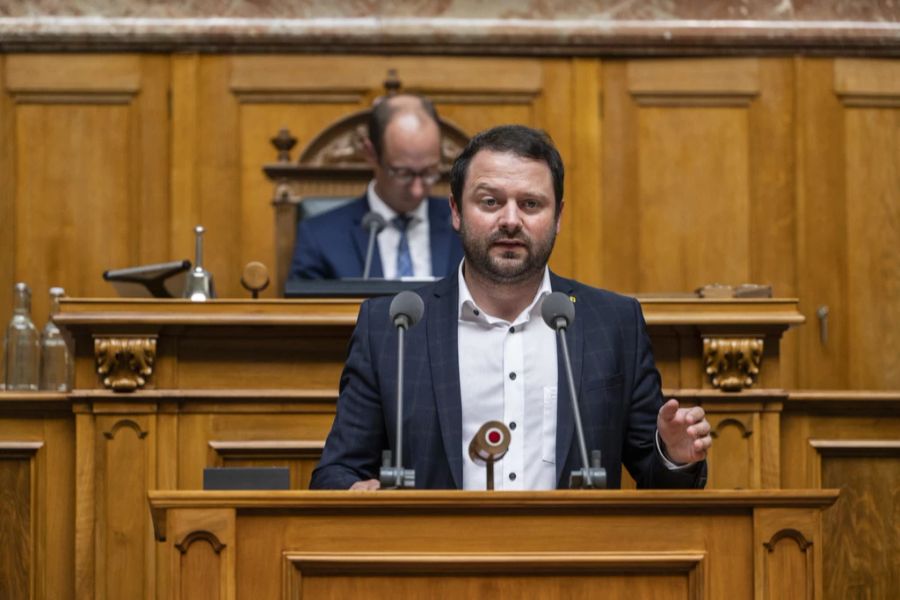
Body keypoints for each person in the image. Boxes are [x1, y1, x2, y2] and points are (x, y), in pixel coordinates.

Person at [310, 124, 711, 490]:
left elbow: (659, 482)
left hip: (573, 561)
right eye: (490, 202)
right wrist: (353, 492)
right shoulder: (392, 328)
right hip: (436, 562)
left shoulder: (613, 323)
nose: (510, 220)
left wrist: (674, 456)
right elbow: (336, 472)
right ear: (455, 212)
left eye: (531, 204)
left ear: (558, 218)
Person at [288, 94, 464, 281]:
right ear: (371, 154)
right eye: (403, 173)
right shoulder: (320, 237)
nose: (417, 190)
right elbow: (306, 309)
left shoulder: (465, 226)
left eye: (429, 172)